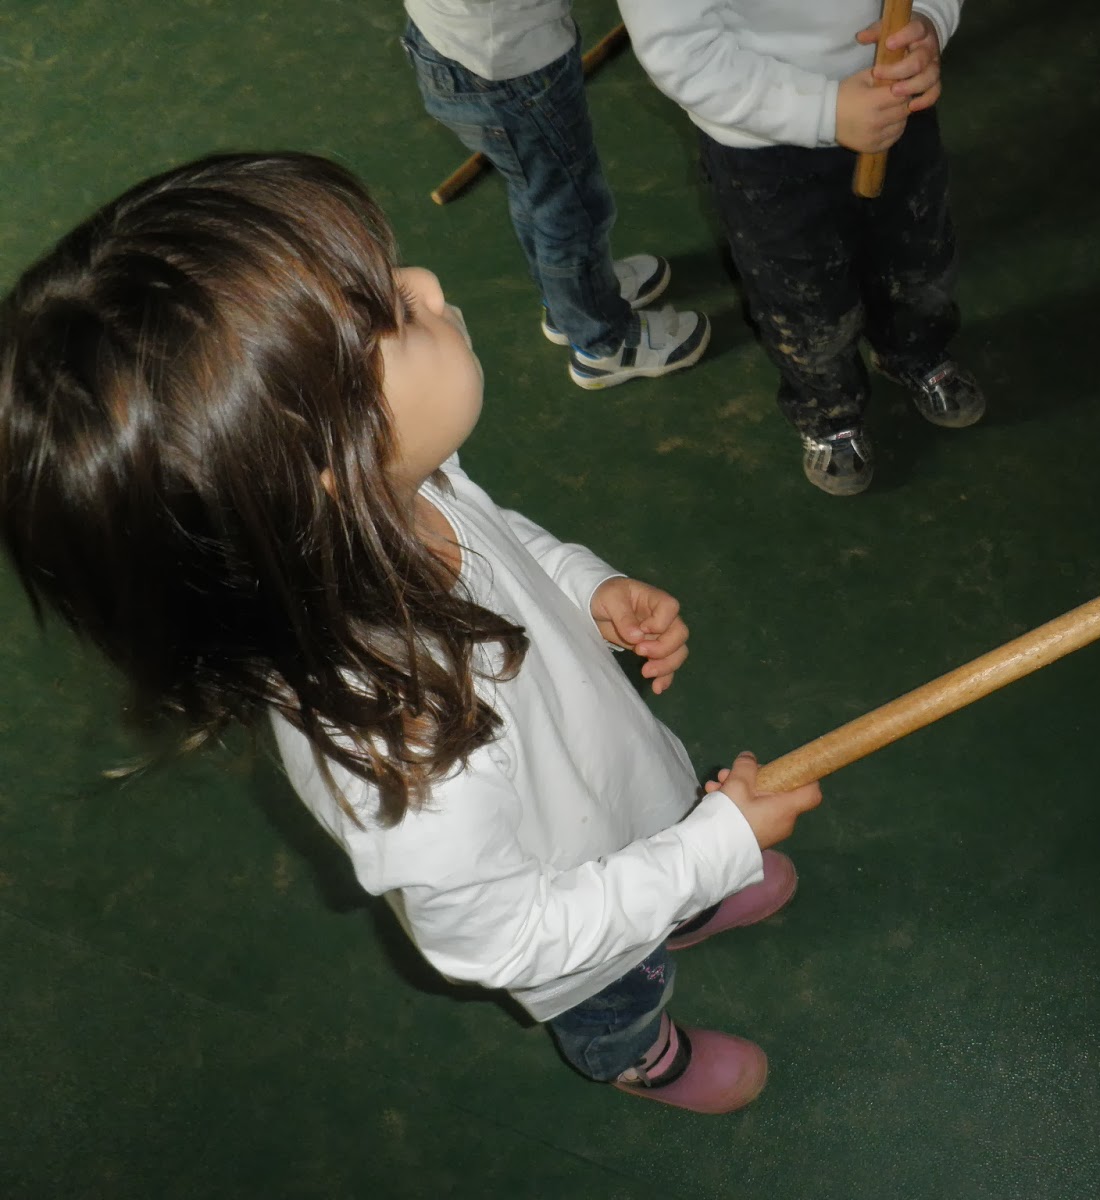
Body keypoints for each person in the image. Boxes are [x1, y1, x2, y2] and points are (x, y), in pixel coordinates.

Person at [0, 152, 822, 1114]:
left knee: (667, 840)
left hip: (615, 791)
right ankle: (639, 1054)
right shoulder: (398, 741)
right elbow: (505, 937)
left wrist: (586, 588)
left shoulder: (393, 494)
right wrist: (717, 846)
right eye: (390, 308)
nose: (426, 282)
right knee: (617, 992)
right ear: (324, 467)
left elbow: (500, 538)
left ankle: (682, 899)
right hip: (571, 927)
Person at [617, 0, 985, 495]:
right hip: (764, 143)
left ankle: (916, 351)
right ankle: (829, 410)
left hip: (895, 99)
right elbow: (681, 52)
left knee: (918, 257)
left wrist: (929, 20)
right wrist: (826, 110)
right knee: (804, 303)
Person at [402, 0, 710, 389]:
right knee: (574, 211)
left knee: (537, 190)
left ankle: (572, 304)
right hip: (512, 67)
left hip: (448, 46)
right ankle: (604, 343)